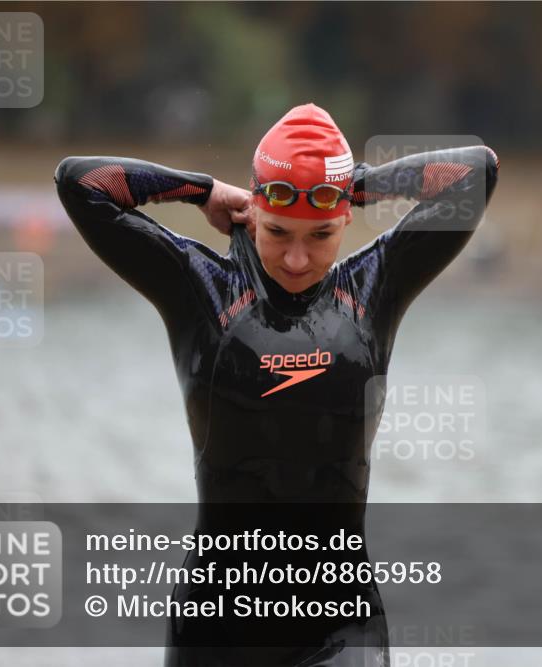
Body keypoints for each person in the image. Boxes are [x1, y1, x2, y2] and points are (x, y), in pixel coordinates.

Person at [54, 103, 499, 667]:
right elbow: (81, 183)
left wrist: (350, 185)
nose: (296, 257)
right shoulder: (199, 291)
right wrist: (201, 191)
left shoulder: (375, 288)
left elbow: (476, 172)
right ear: (254, 211)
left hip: (340, 626)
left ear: (344, 221)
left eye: (321, 235)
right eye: (277, 230)